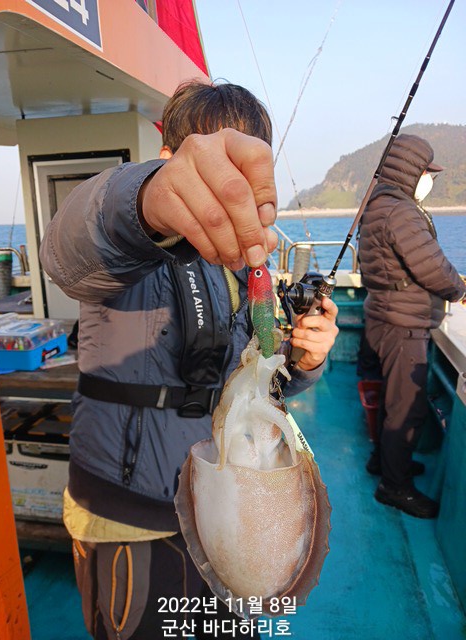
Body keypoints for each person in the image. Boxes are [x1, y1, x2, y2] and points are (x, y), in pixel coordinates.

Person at [40, 80, 339, 640]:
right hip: (137, 519)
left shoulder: (247, 270)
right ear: (165, 161)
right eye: (207, 165)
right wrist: (149, 198)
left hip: (228, 510)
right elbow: (69, 248)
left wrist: (303, 358)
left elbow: (255, 389)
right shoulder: (131, 242)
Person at [358, 133, 466, 519]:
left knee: (392, 400)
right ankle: (395, 486)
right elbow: (432, 265)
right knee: (407, 409)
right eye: (427, 172)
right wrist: (459, 289)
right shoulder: (400, 211)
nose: (430, 179)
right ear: (410, 170)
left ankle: (383, 463)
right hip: (403, 326)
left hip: (385, 317)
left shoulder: (379, 204)